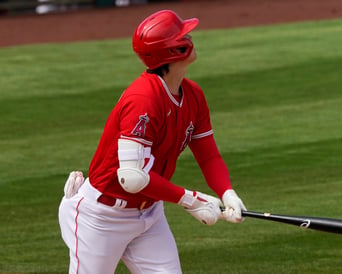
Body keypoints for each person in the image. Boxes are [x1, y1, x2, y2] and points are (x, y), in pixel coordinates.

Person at [58, 9, 246, 274]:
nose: (190, 38)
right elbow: (132, 178)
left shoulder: (193, 94)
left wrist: (227, 192)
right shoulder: (144, 99)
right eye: (183, 35)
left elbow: (208, 156)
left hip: (149, 215)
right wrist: (190, 200)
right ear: (171, 51)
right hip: (101, 218)